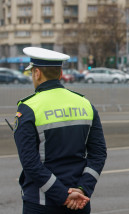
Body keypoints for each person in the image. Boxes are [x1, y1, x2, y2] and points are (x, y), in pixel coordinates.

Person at [14, 47, 107, 214]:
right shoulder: (85, 103)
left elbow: (30, 163)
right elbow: (98, 154)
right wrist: (82, 189)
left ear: (37, 73)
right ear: (60, 73)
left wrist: (62, 195)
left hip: (41, 204)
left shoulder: (28, 108)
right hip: (79, 202)